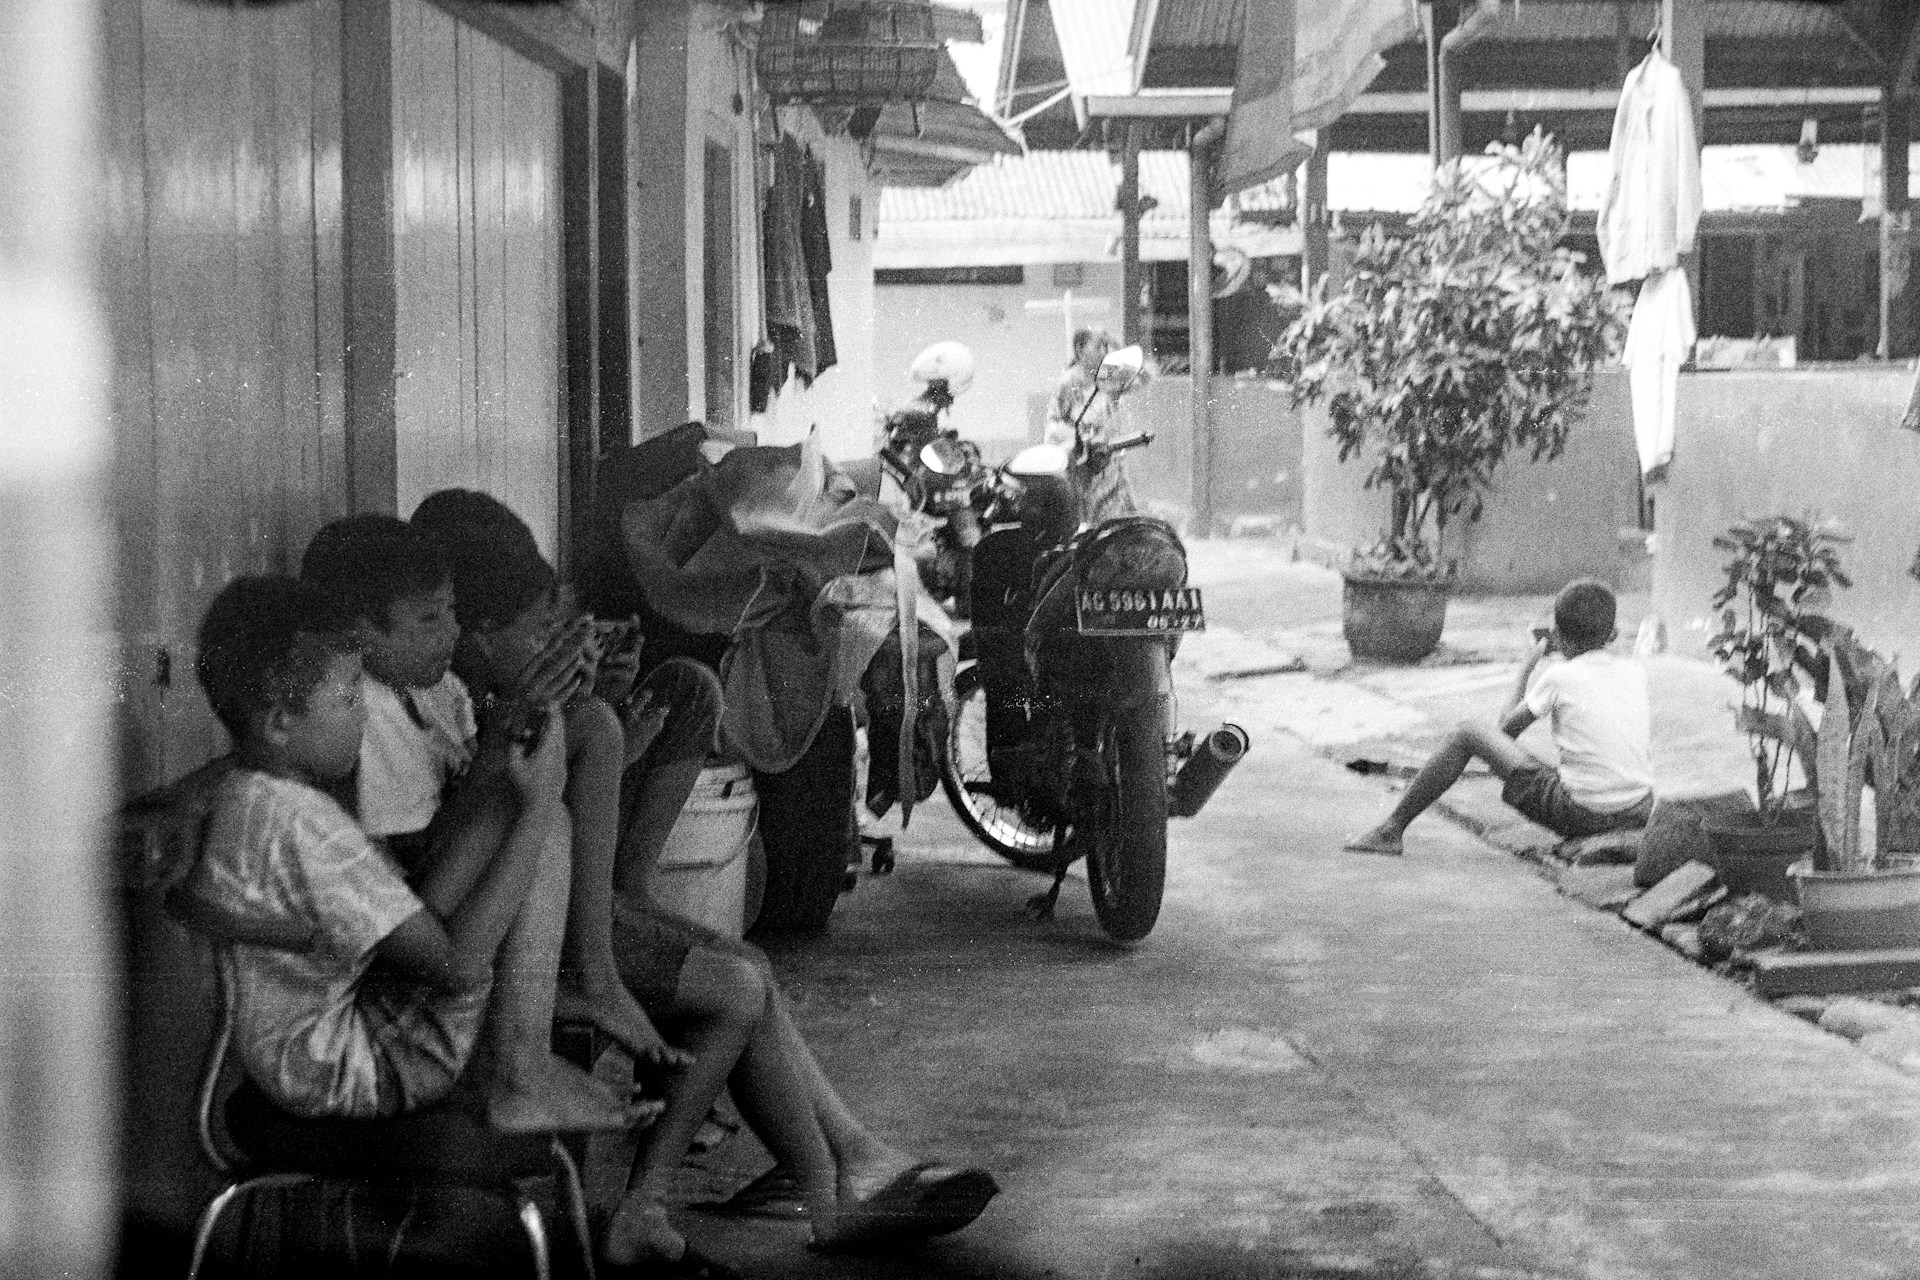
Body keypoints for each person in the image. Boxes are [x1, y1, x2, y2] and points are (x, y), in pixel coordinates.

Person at [419, 495, 996, 1278]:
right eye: (539, 627)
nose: (557, 640)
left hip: (562, 903)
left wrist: (602, 708)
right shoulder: (446, 710)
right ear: (479, 634)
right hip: (525, 936)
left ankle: (837, 1182)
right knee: (737, 982)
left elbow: (551, 806)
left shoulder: (465, 698)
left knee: (681, 698)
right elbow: (502, 831)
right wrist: (565, 718)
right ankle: (738, 1195)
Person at [181, 576, 640, 1132]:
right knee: (537, 826)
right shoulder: (304, 826)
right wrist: (541, 801)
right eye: (349, 696)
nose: (362, 715)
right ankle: (520, 1070)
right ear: (280, 722)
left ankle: (528, 1061)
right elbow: (458, 966)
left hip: (312, 1041)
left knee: (507, 813)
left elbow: (409, 913)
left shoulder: (249, 795)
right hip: (371, 1063)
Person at [1344, 578, 1655, 857]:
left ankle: (1391, 830)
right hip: (1640, 809)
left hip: (1583, 814)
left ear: (1557, 635)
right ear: (1612, 634)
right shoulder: (1635, 671)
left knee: (1467, 733)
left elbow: (1504, 733)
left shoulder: (1560, 676)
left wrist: (1526, 668)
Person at [1044, 326, 1142, 525]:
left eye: (1105, 347)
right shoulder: (1068, 383)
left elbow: (1143, 376)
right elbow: (1053, 427)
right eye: (1098, 346)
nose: (1104, 352)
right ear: (1080, 350)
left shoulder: (1109, 376)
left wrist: (1115, 343)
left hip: (1110, 467)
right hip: (1084, 468)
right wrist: (1082, 440)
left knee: (1122, 529)